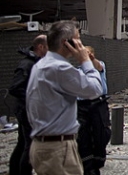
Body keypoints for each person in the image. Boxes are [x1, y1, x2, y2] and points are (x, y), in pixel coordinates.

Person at [26, 21, 103, 175]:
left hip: (46, 144)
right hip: (58, 148)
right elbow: (95, 89)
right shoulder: (59, 68)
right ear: (66, 43)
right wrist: (85, 61)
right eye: (78, 39)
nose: (81, 45)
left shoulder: (41, 65)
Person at [9, 34, 48, 175]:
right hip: (26, 110)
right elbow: (15, 88)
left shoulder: (34, 63)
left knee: (23, 143)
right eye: (48, 47)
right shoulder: (27, 64)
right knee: (30, 145)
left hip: (27, 109)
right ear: (41, 47)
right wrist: (35, 98)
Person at [77, 46, 111, 175]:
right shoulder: (77, 70)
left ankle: (98, 159)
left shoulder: (98, 65)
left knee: (102, 132)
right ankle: (88, 164)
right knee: (83, 134)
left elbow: (99, 67)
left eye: (88, 52)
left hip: (98, 104)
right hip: (82, 104)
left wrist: (91, 60)